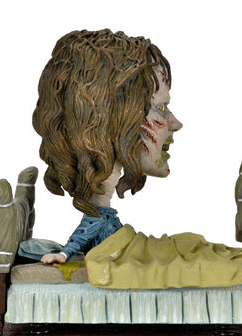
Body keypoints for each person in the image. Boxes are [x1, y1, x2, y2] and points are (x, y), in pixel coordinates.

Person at [31, 29, 182, 264]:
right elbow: (83, 235)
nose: (176, 124)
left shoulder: (103, 214)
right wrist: (63, 255)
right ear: (112, 122)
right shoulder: (97, 214)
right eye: (160, 108)